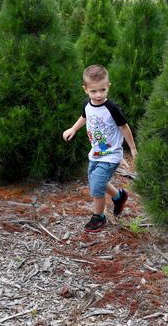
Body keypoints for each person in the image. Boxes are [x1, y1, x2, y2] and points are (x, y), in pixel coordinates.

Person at [63, 65, 138, 233]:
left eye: (102, 90)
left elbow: (124, 127)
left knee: (97, 184)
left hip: (111, 155)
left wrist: (132, 149)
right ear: (86, 90)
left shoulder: (112, 108)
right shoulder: (87, 105)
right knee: (97, 180)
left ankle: (99, 217)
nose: (98, 95)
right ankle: (119, 197)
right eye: (93, 91)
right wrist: (73, 129)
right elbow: (84, 117)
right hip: (96, 153)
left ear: (108, 86)